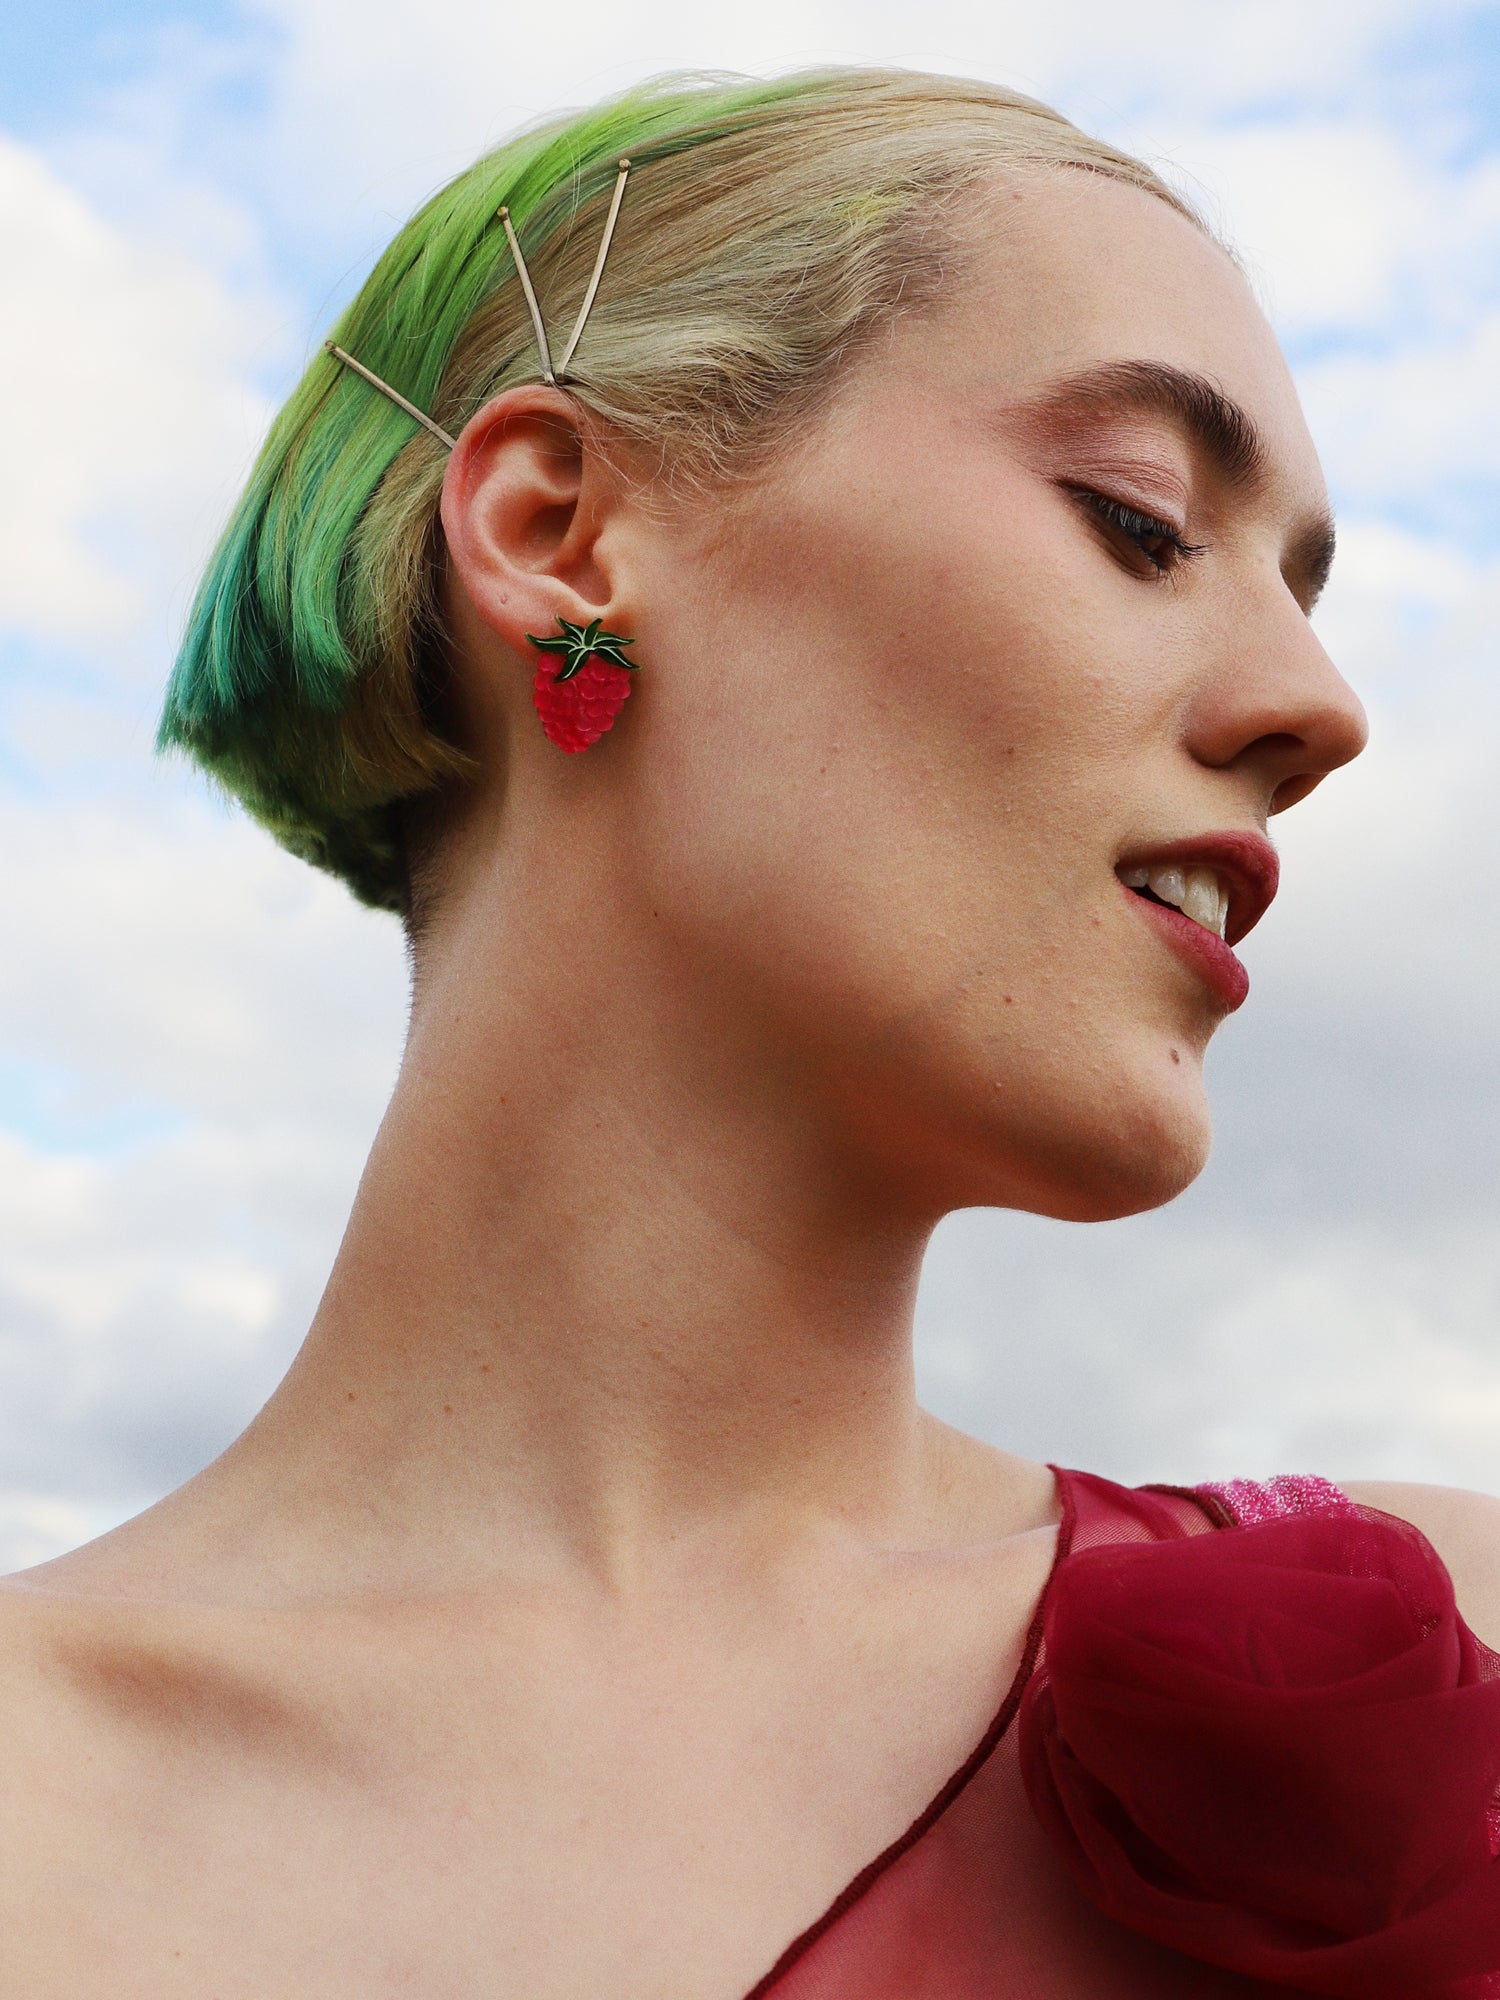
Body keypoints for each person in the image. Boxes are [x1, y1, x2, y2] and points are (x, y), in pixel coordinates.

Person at [3, 67, 1498, 1998]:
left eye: (1301, 588)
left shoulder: (1453, 1642)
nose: (1324, 710)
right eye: (1141, 522)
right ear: (558, 532)